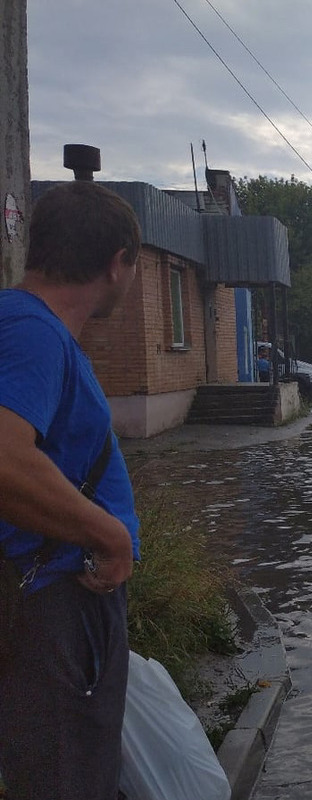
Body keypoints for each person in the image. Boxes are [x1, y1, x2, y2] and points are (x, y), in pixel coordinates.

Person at [0, 181, 142, 800]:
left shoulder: (29, 326)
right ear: (117, 264)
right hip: (53, 605)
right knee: (65, 776)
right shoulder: (33, 332)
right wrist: (109, 534)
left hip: (50, 600)